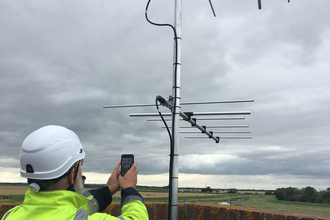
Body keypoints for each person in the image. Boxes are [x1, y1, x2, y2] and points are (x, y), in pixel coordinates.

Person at [1, 125, 149, 220]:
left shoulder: (10, 216)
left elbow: (68, 209)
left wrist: (108, 190)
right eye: (80, 164)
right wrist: (129, 189)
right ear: (72, 174)